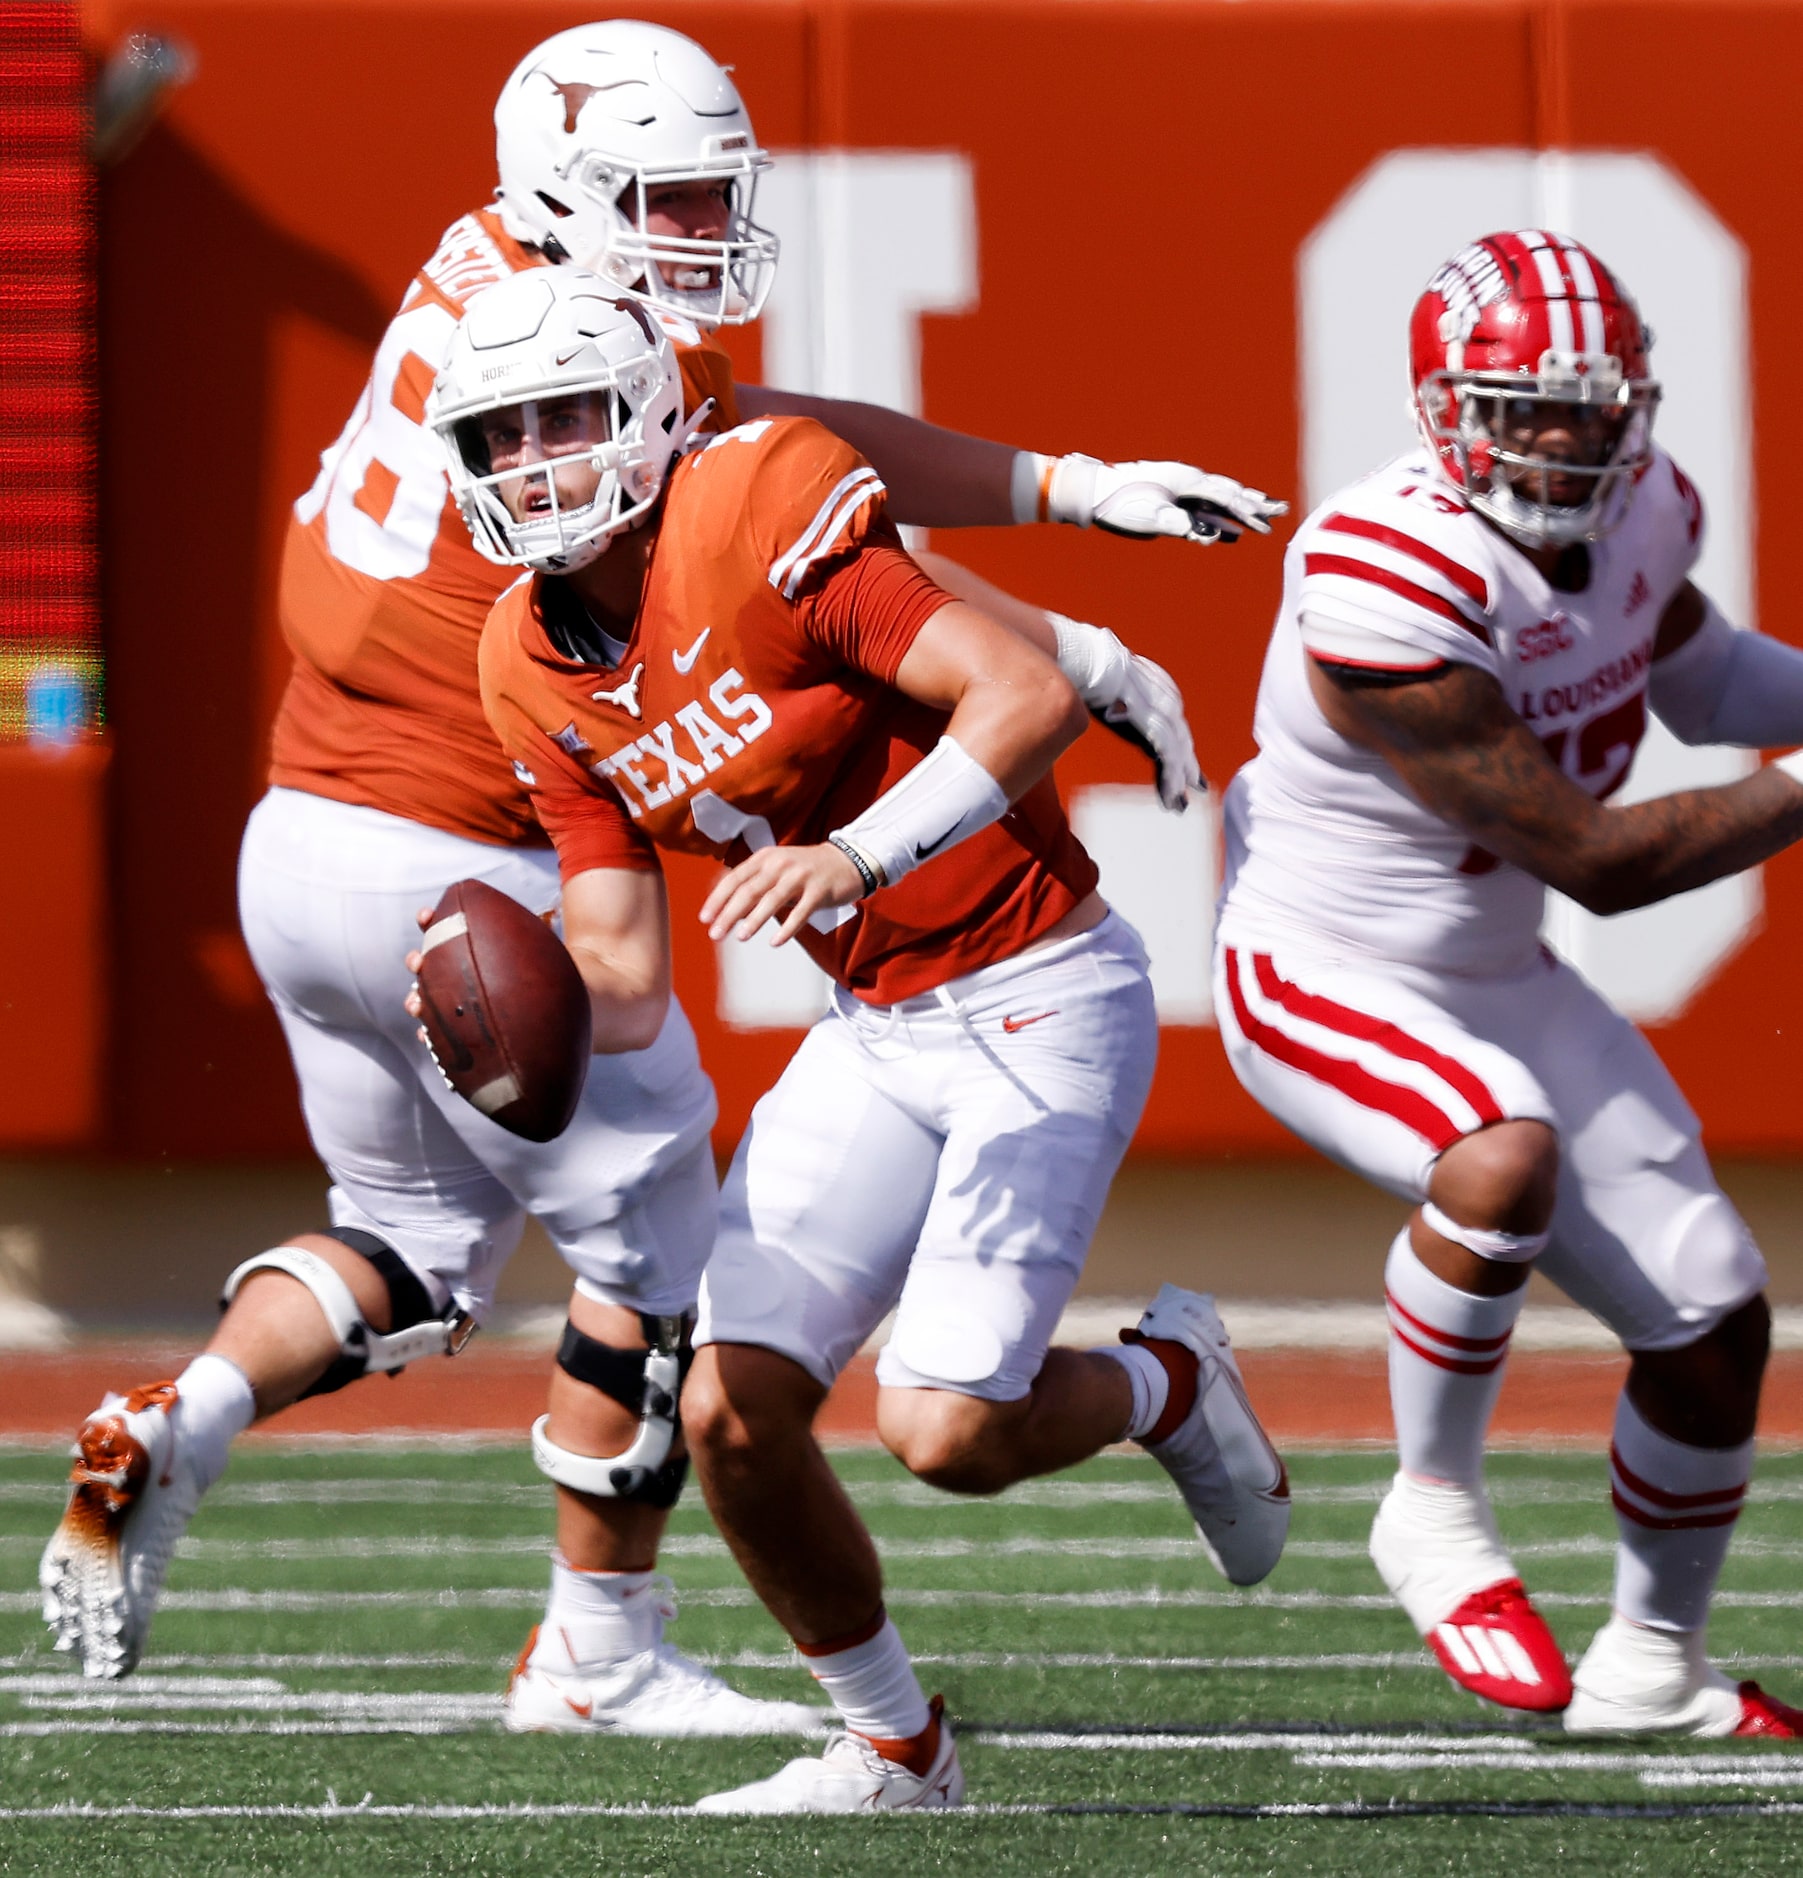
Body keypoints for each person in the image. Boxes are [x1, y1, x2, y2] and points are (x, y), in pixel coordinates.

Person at [40, 19, 1277, 1725]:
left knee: (407, 1243)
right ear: (571, 192)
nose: (706, 230)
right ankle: (599, 1650)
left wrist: (1058, 534)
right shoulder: (591, 380)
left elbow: (766, 470)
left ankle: (178, 1418)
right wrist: (1061, 589)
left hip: (300, 835)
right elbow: (775, 536)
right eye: (673, 196)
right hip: (471, 846)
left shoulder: (492, 276)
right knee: (666, 1248)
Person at [451, 269, 1291, 1811]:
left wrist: (858, 856)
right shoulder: (520, 655)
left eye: (562, 421)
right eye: (496, 437)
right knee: (728, 1410)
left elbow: (1019, 689)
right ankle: (899, 1744)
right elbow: (623, 967)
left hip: (1041, 987)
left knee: (947, 1429)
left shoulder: (751, 501)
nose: (531, 467)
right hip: (876, 1025)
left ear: (644, 412)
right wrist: (511, 1027)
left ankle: (1170, 1378)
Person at [1213, 227, 1803, 1737]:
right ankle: (1430, 1506)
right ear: (1443, 408)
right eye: (1521, 405)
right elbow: (1595, 855)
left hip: (1494, 965)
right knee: (1500, 1153)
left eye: (1587, 408)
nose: (1559, 438)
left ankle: (1654, 1666)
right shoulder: (1384, 570)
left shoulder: (1650, 507)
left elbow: (1704, 677)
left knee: (1717, 1307)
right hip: (1324, 961)